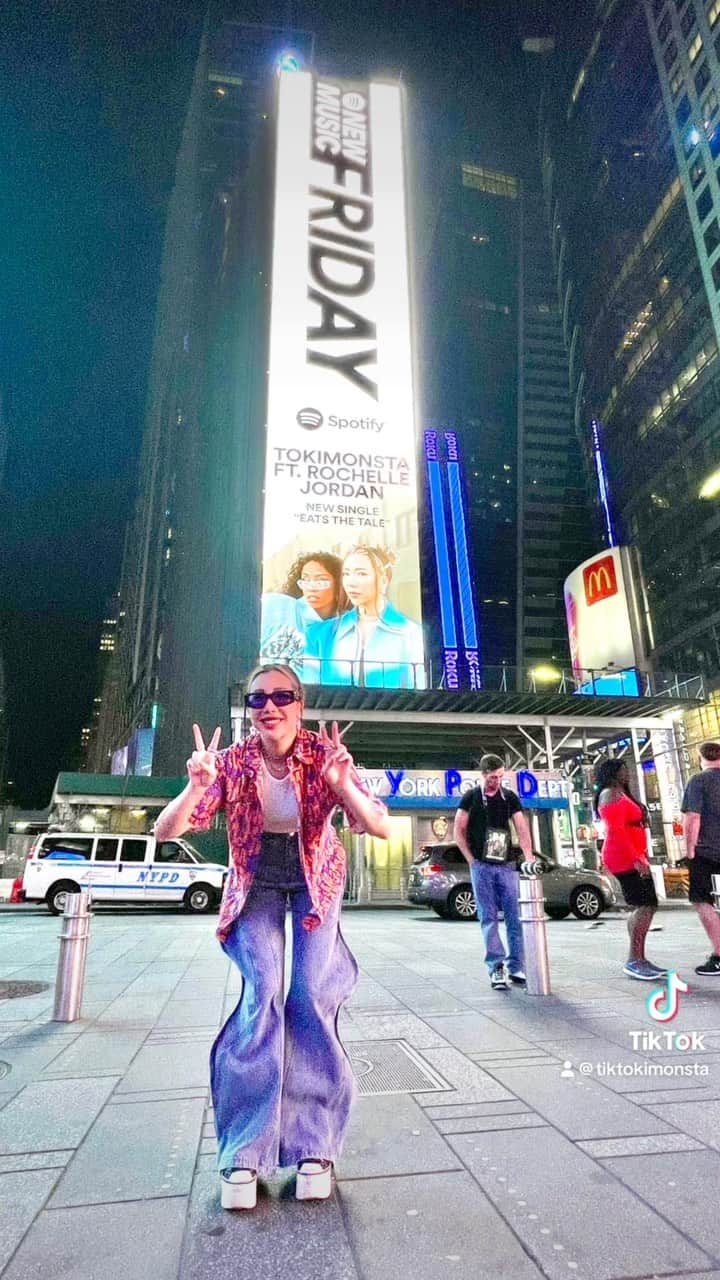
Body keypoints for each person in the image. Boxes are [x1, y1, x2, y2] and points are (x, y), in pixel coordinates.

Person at [153, 662, 390, 1210]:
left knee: (309, 993)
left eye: (282, 696)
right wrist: (195, 788)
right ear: (249, 710)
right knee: (263, 994)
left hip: (315, 876)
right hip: (255, 877)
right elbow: (167, 830)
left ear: (300, 704)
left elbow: (376, 824)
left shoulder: (322, 754)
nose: (270, 707)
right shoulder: (231, 763)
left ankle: (315, 1144)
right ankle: (245, 1150)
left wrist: (341, 787)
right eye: (259, 699)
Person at [453, 753, 533, 989]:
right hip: (482, 866)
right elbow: (458, 830)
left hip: (506, 865)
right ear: (483, 774)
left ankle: (516, 966)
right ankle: (496, 967)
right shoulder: (471, 797)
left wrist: (528, 857)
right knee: (488, 918)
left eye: (500, 777)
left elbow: (522, 828)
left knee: (514, 918)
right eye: (492, 777)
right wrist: (471, 860)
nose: (496, 781)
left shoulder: (509, 798)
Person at [304, 544, 426, 688]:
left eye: (361, 574)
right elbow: (307, 698)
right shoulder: (318, 635)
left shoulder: (411, 634)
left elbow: (419, 695)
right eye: (346, 574)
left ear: (383, 581)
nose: (351, 583)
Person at [594, 758, 666, 981]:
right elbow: (616, 832)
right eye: (623, 770)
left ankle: (639, 958)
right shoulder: (609, 794)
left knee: (647, 905)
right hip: (623, 857)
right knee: (645, 904)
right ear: (612, 773)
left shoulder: (621, 793)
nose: (628, 774)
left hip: (632, 855)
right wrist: (636, 858)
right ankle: (634, 959)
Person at [260, 552, 345, 669]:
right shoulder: (278, 605)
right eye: (305, 580)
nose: (311, 587)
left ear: (339, 586)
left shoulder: (345, 628)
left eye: (321, 581)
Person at [681, 740, 720, 976]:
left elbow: (693, 817)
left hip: (707, 852)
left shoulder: (698, 781)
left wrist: (689, 850)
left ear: (700, 759)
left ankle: (719, 955)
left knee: (702, 900)